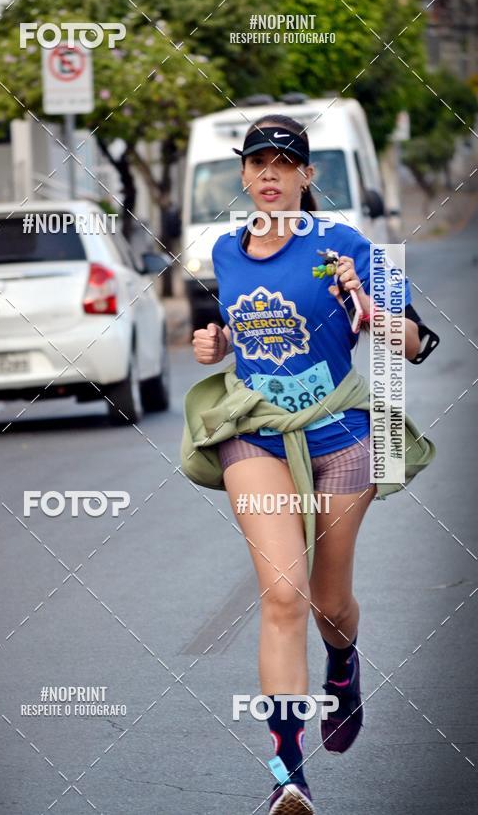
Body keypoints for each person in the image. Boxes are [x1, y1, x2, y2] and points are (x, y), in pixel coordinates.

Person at [191, 114, 423, 814]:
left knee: (328, 603)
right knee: (283, 596)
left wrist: (364, 298)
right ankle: (287, 773)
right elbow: (254, 325)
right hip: (256, 433)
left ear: (306, 175)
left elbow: (414, 343)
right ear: (242, 173)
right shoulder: (227, 252)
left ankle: (345, 666)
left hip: (341, 435)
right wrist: (218, 342)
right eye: (257, 163)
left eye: (283, 164)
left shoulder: (349, 245)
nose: (269, 174)